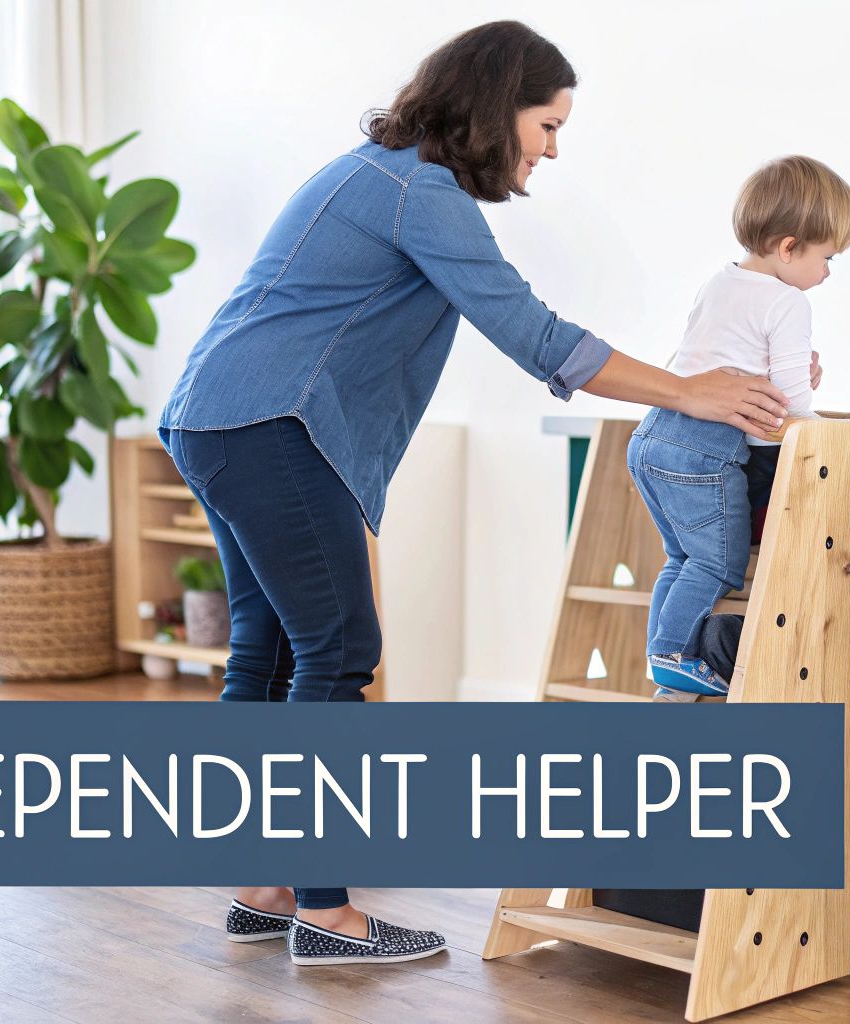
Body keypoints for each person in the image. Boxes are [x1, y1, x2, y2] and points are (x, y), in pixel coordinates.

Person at [157, 21, 790, 966]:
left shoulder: (374, 171)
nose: (552, 148)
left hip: (218, 413)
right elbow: (533, 332)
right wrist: (688, 389)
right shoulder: (423, 192)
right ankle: (325, 915)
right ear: (500, 111)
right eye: (547, 124)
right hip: (267, 423)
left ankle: (263, 884)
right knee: (339, 651)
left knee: (274, 648)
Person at [627, 155, 850, 700]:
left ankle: (664, 655)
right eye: (827, 257)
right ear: (788, 246)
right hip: (703, 453)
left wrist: (785, 381)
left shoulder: (721, 281)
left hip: (654, 437)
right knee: (717, 561)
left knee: (682, 558)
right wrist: (807, 432)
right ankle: (672, 657)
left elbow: (720, 359)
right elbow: (791, 401)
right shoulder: (787, 301)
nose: (827, 272)